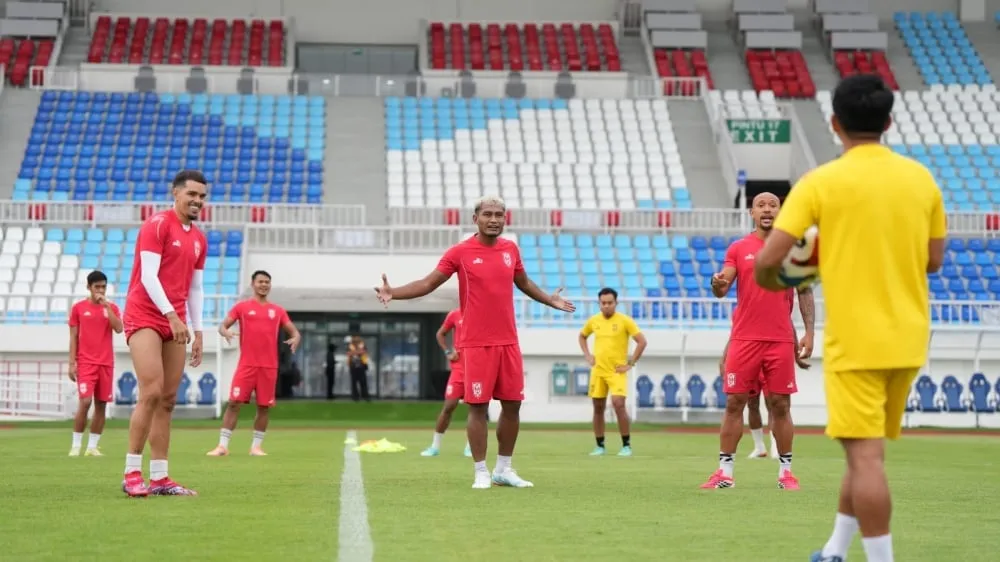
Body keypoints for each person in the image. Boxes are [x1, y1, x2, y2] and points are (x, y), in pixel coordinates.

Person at [754, 74, 945, 562]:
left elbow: (767, 263)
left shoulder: (821, 182)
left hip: (858, 341)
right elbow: (934, 260)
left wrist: (812, 262)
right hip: (908, 337)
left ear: (835, 123)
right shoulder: (920, 179)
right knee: (864, 451)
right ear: (888, 122)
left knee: (865, 457)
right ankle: (835, 549)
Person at [374, 196, 575, 489]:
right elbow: (428, 283)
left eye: (499, 215)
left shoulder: (510, 250)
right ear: (475, 218)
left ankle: (503, 469)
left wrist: (549, 299)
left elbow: (525, 283)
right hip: (476, 343)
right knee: (478, 407)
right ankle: (480, 470)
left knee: (512, 405)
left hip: (508, 341)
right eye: (488, 214)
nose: (494, 219)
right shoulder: (460, 252)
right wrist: (396, 292)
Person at [701, 192, 815, 491]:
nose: (767, 209)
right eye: (761, 205)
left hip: (779, 339)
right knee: (735, 402)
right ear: (752, 212)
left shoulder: (794, 248)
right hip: (744, 338)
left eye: (773, 205)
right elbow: (722, 286)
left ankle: (786, 474)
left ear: (781, 211)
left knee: (780, 405)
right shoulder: (739, 248)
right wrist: (716, 283)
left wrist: (809, 332)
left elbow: (804, 292)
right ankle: (724, 474)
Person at [121, 169, 208, 498]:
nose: (198, 201)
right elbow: (148, 276)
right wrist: (172, 315)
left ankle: (160, 477)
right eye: (192, 195)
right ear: (175, 194)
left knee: (169, 400)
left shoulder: (199, 239)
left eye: (202, 196)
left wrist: (198, 331)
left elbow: (196, 288)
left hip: (177, 320)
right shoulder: (157, 224)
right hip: (145, 314)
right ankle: (131, 472)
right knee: (152, 391)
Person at [207, 270, 300, 457]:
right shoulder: (241, 307)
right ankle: (222, 446)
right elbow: (222, 326)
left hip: (269, 366)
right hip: (246, 365)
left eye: (267, 282)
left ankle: (256, 447)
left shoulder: (278, 310)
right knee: (234, 403)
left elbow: (294, 332)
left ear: (270, 285)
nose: (264, 285)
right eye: (260, 282)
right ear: (253, 284)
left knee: (263, 406)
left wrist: (295, 338)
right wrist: (225, 332)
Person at [719, 319, 814, 460]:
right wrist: (724, 359)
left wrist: (795, 355)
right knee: (751, 404)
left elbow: (788, 326)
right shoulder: (746, 307)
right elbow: (735, 334)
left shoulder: (777, 302)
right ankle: (759, 447)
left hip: (771, 354)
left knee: (774, 404)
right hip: (749, 355)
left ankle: (776, 447)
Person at [579, 287, 647, 457]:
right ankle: (600, 445)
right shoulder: (593, 321)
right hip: (598, 371)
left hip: (617, 371)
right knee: (598, 407)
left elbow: (641, 342)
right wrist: (588, 355)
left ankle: (626, 445)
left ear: (616, 303)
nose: (607, 306)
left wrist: (630, 363)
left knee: (618, 404)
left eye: (610, 303)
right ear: (599, 303)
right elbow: (582, 336)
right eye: (603, 303)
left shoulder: (625, 321)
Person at [68, 270, 123, 457]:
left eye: (103, 287)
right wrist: (71, 363)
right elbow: (74, 337)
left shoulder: (112, 308)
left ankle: (92, 447)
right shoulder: (78, 308)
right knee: (85, 401)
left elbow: (119, 328)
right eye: (97, 287)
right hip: (85, 362)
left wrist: (107, 307)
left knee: (101, 405)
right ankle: (76, 446)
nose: (100, 290)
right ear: (89, 287)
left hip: (106, 363)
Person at [421, 308, 472, 458]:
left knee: (476, 408)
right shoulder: (455, 314)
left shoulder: (482, 313)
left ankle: (470, 447)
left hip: (476, 369)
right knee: (449, 406)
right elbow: (440, 333)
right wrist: (447, 352)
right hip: (458, 369)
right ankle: (435, 447)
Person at [346, 335, 371, 401]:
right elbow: (348, 353)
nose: (356, 339)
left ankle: (365, 396)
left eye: (357, 338)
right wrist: (358, 352)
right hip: (353, 366)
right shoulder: (350, 346)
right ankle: (355, 397)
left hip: (361, 366)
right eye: (355, 338)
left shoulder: (362, 345)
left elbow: (364, 352)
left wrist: (355, 352)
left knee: (363, 382)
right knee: (354, 382)